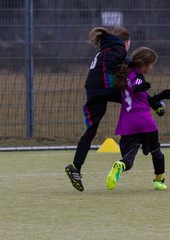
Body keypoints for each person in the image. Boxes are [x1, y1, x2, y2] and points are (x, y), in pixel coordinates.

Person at [65, 26, 131, 192]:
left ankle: (75, 167)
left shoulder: (105, 49)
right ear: (126, 42)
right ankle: (137, 142)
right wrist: (124, 69)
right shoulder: (119, 48)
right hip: (105, 87)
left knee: (91, 130)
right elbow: (111, 64)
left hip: (93, 90)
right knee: (134, 100)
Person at [106, 47, 170, 191]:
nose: (152, 68)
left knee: (129, 157)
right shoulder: (137, 78)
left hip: (127, 123)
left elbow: (144, 97)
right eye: (151, 65)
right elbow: (137, 87)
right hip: (144, 122)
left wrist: (159, 97)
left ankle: (121, 165)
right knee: (157, 152)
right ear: (143, 65)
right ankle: (159, 181)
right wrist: (141, 87)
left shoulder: (125, 75)